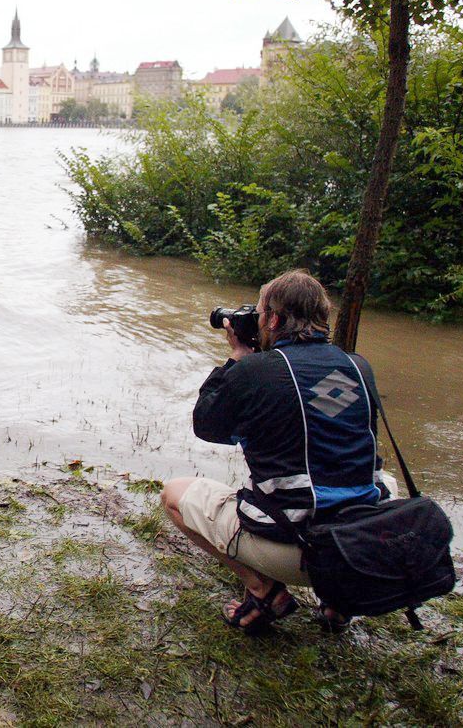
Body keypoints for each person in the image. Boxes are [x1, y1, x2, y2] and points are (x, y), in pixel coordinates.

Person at [160, 269, 394, 635]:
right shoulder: (357, 366)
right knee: (371, 476)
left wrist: (237, 357)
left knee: (174, 494)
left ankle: (264, 591)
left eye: (259, 312)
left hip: (298, 550)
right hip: (360, 541)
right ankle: (339, 601)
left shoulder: (256, 372)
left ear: (273, 318)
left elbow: (207, 426)